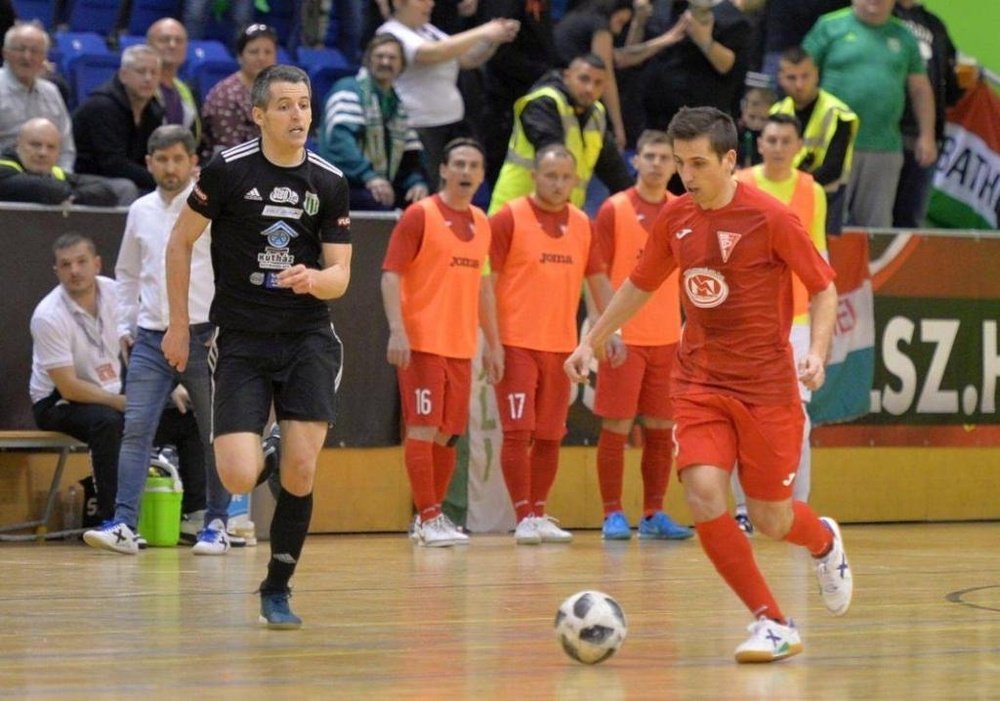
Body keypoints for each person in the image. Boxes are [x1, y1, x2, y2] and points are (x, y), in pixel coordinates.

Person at [565, 107, 852, 663]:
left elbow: (823, 289)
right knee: (702, 494)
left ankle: (823, 541)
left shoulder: (771, 218)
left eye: (697, 163)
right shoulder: (675, 218)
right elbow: (639, 284)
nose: (686, 175)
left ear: (729, 160)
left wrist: (816, 353)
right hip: (698, 382)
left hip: (767, 389)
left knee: (772, 518)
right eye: (679, 163)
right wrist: (591, 340)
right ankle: (772, 621)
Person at [162, 65, 352, 628]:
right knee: (240, 476)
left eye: (305, 104)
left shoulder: (328, 181)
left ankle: (277, 585)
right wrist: (178, 326)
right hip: (241, 339)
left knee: (300, 469)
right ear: (260, 114)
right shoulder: (226, 170)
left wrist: (313, 279)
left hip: (308, 338)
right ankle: (265, 447)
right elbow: (180, 243)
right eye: (286, 105)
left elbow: (340, 275)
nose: (299, 115)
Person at [82, 125, 232, 556]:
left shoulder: (212, 209)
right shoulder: (140, 211)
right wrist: (127, 327)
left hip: (205, 335)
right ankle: (125, 524)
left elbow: (226, 270)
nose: (170, 167)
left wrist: (224, 325)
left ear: (193, 162)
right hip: (150, 338)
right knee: (135, 431)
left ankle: (217, 523)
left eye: (177, 159)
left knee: (215, 434)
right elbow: (127, 274)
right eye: (161, 159)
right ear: (148, 163)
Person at [381, 137, 496, 547]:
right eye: (459, 164)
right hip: (423, 342)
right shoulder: (420, 216)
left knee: (449, 434)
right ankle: (427, 517)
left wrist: (494, 345)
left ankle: (433, 515)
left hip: (463, 346)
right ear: (444, 170)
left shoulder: (482, 222)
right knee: (424, 429)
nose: (466, 172)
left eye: (474, 166)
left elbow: (484, 288)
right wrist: (398, 330)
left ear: (482, 175)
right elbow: (391, 274)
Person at [489, 144, 602, 544]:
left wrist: (608, 332)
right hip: (516, 343)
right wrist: (492, 342)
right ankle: (523, 516)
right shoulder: (508, 218)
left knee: (552, 433)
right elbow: (486, 283)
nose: (557, 184)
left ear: (575, 180)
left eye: (564, 177)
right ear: (535, 175)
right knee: (519, 431)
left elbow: (598, 282)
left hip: (562, 348)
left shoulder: (583, 223)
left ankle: (538, 511)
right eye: (550, 175)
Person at [589, 129, 692, 541]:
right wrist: (605, 329)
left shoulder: (684, 210)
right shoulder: (613, 209)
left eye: (664, 158)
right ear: (635, 160)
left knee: (661, 428)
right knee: (615, 426)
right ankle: (612, 512)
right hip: (623, 340)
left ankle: (653, 513)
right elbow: (596, 273)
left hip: (668, 340)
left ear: (675, 166)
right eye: (648, 155)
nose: (655, 164)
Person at [731, 113, 827, 535]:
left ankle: (796, 508)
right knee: (741, 416)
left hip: (799, 320)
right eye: (770, 139)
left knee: (798, 421)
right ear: (760, 142)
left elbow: (819, 257)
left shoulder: (812, 191)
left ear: (799, 145)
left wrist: (820, 339)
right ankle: (741, 509)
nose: (777, 146)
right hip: (748, 319)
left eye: (786, 139)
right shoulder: (741, 184)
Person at [803, 0, 935, 229]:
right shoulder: (829, 26)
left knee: (876, 229)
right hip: (830, 145)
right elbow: (800, 74)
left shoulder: (904, 35)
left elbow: (920, 89)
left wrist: (927, 135)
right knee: (824, 222)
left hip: (883, 147)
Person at [30, 234, 124, 524]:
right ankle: (114, 521)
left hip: (112, 391)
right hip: (57, 402)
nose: (74, 271)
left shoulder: (116, 293)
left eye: (81, 262)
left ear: (97, 264)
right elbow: (68, 386)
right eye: (65, 264)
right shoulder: (47, 315)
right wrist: (121, 403)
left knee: (182, 415)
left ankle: (194, 515)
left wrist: (166, 391)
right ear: (56, 271)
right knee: (108, 422)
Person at [377, 0, 520, 189]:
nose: (431, 3)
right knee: (426, 187)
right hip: (419, 127)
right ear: (399, 2)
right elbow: (434, 53)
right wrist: (484, 31)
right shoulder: (391, 33)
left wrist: (494, 40)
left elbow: (467, 59)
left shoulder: (428, 30)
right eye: (422, 0)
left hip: (450, 124)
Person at [489, 52, 631, 214]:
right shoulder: (543, 104)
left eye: (598, 83)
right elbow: (554, 159)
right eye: (584, 79)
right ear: (567, 76)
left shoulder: (596, 114)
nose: (590, 88)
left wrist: (636, 203)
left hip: (560, 215)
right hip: (514, 212)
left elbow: (612, 168)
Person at [318, 34, 430, 211]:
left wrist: (417, 183)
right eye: (379, 56)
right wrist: (369, 176)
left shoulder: (396, 104)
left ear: (402, 65)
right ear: (368, 60)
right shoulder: (348, 89)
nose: (385, 62)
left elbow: (410, 155)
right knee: (379, 202)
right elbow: (340, 143)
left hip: (376, 184)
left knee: (421, 204)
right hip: (343, 185)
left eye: (392, 58)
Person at [770, 46, 857, 234]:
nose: (799, 84)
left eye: (805, 76)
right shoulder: (776, 112)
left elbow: (834, 167)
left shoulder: (838, 113)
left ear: (816, 74)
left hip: (826, 197)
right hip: (781, 196)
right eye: (792, 78)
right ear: (780, 78)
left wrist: (795, 187)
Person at [891, 0, 963, 229]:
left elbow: (949, 81)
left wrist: (963, 83)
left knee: (911, 219)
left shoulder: (935, 25)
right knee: (874, 218)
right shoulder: (880, 13)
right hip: (884, 134)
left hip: (923, 135)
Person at [640, 0, 751, 132]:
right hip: (654, 113)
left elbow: (730, 67)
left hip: (698, 117)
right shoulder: (664, 8)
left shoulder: (731, 17)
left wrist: (704, 40)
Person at [72, 45, 165, 198]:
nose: (148, 78)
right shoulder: (102, 106)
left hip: (124, 176)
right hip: (86, 177)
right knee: (127, 188)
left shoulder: (153, 111)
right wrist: (160, 178)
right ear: (123, 75)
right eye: (141, 71)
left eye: (154, 73)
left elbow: (151, 155)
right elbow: (112, 165)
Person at [0, 22, 75, 173]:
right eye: (20, 49)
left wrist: (63, 179)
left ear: (44, 58)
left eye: (35, 51)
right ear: (5, 53)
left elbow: (66, 149)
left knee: (115, 188)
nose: (27, 57)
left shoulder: (52, 92)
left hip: (49, 177)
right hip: (5, 174)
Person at [200, 23, 278, 161]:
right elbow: (230, 152)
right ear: (240, 56)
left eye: (268, 52)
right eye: (254, 52)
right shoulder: (225, 95)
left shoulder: (279, 92)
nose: (262, 58)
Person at [0, 117, 118, 205]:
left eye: (51, 147)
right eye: (35, 145)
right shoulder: (3, 168)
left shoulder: (56, 174)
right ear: (17, 145)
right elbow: (50, 190)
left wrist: (74, 197)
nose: (43, 153)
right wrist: (64, 194)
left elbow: (106, 191)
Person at [146, 18, 202, 143]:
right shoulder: (139, 88)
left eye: (179, 41)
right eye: (165, 40)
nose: (172, 45)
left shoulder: (188, 91)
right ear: (149, 45)